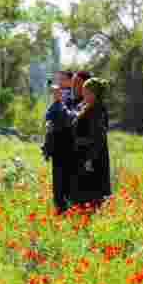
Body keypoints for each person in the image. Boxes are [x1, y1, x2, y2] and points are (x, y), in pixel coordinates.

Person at [69, 77, 113, 211]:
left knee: (90, 198)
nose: (83, 95)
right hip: (83, 156)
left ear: (94, 94)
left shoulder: (97, 111)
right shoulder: (88, 107)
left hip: (91, 159)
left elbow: (96, 138)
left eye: (86, 92)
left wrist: (89, 159)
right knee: (82, 198)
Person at [42, 70, 78, 213]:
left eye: (62, 80)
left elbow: (68, 118)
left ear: (71, 81)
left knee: (66, 180)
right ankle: (60, 208)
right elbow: (49, 117)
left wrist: (58, 101)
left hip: (68, 145)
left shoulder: (74, 98)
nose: (59, 83)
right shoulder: (61, 97)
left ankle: (67, 208)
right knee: (58, 180)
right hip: (57, 145)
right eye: (58, 80)